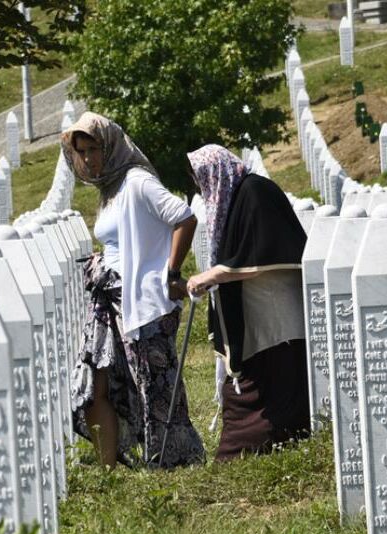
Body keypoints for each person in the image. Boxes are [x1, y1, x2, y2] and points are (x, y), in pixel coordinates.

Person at [61, 112, 205, 469]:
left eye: (94, 148)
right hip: (108, 300)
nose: (89, 158)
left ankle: (174, 461)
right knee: (94, 381)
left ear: (110, 146)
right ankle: (109, 469)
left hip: (142, 302)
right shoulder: (110, 189)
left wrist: (171, 271)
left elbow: (184, 217)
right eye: (82, 151)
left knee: (154, 387)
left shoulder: (137, 181)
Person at [185, 144, 310, 462]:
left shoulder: (255, 192)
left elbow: (263, 251)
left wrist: (212, 275)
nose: (202, 187)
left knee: (275, 380)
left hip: (275, 315)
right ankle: (243, 449)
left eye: (202, 178)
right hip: (256, 312)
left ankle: (253, 448)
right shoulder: (236, 196)